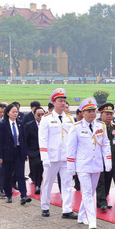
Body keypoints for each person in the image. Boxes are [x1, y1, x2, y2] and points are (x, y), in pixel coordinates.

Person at [66, 98, 109, 229]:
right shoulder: (77, 127)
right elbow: (71, 148)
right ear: (82, 113)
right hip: (83, 165)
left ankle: (81, 215)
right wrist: (71, 166)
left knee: (90, 193)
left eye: (93, 111)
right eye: (89, 111)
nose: (92, 114)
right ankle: (92, 220)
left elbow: (105, 145)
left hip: (96, 165)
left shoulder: (100, 126)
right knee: (87, 192)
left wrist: (107, 161)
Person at [39, 88, 76, 219]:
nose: (63, 104)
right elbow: (42, 139)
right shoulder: (47, 119)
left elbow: (72, 140)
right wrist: (44, 157)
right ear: (53, 103)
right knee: (48, 182)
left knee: (67, 184)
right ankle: (45, 206)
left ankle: (67, 209)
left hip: (66, 157)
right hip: (52, 156)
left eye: (64, 101)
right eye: (60, 101)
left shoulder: (70, 119)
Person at [0, 104, 31, 205]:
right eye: (13, 112)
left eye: (16, 112)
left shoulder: (20, 124)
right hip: (7, 153)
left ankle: (23, 195)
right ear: (8, 113)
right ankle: (8, 194)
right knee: (7, 175)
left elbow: (23, 140)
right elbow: (0, 141)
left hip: (18, 152)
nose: (15, 114)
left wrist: (25, 153)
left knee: (20, 175)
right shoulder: (3, 125)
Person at [95, 103, 115, 211]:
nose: (109, 116)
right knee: (101, 180)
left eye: (111, 114)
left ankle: (103, 199)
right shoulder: (96, 126)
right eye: (107, 114)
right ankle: (102, 201)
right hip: (99, 158)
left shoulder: (114, 127)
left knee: (108, 179)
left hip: (111, 158)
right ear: (101, 114)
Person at [25, 106, 45, 194]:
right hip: (34, 151)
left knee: (43, 168)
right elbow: (25, 140)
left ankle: (40, 183)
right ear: (34, 116)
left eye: (43, 115)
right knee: (36, 167)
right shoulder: (29, 126)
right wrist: (26, 153)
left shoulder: (48, 125)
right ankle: (37, 185)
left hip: (45, 151)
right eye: (38, 115)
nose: (41, 117)